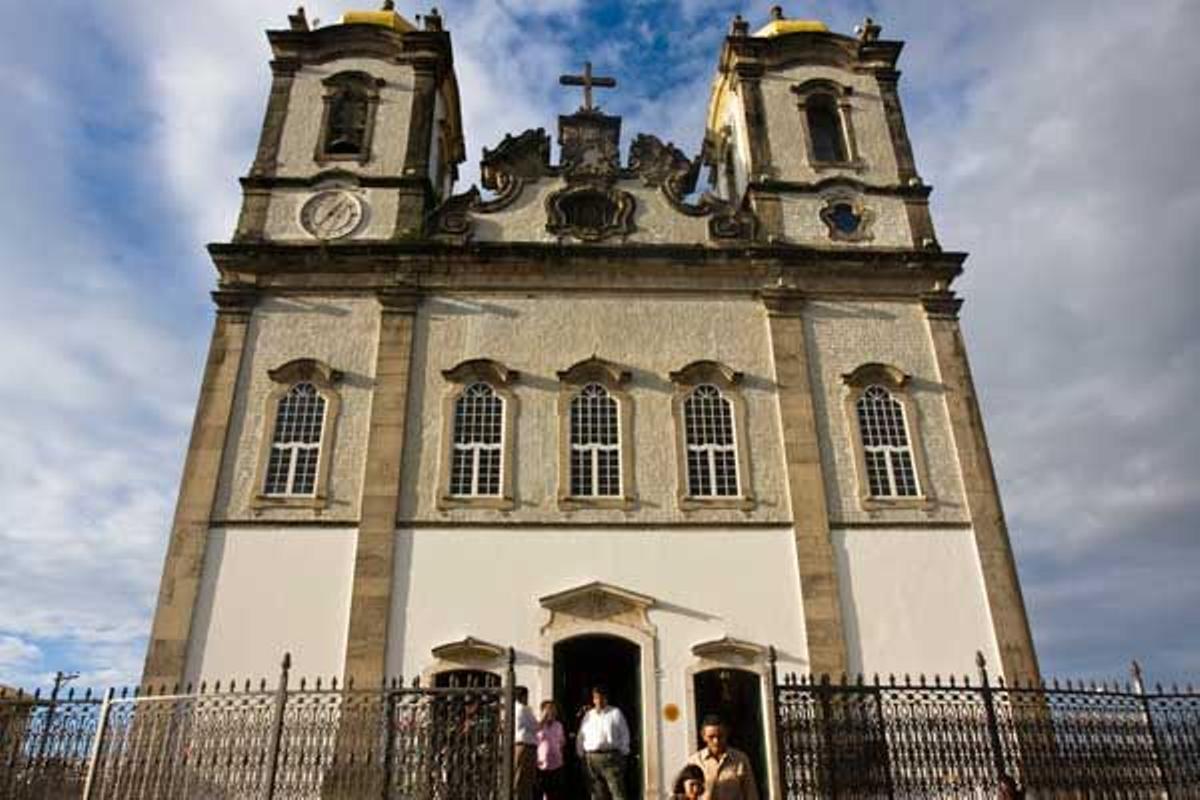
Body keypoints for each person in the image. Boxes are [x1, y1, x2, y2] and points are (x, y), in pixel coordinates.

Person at [575, 685, 630, 800]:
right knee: (596, 794)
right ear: (593, 699)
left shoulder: (615, 713)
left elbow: (624, 733)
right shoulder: (588, 715)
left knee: (617, 792)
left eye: (601, 698)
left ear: (606, 698)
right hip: (591, 759)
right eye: (596, 698)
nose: (598, 701)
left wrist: (624, 754)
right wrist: (581, 754)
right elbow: (581, 735)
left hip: (611, 758)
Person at [686, 715, 759, 800]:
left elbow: (751, 793)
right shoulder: (695, 761)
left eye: (720, 736)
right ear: (703, 737)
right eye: (711, 737)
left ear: (726, 734)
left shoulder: (740, 759)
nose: (716, 741)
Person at [535, 700, 566, 800]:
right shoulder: (537, 725)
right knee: (539, 793)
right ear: (543, 711)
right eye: (548, 710)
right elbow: (534, 736)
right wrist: (542, 721)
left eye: (553, 710)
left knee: (554, 794)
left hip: (556, 765)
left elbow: (562, 742)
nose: (551, 712)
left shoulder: (559, 725)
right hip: (541, 766)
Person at [513, 687, 539, 800]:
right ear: (523, 696)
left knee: (518, 776)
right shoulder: (524, 709)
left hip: (517, 745)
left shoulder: (512, 708)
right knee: (525, 779)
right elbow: (536, 727)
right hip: (526, 747)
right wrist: (544, 716)